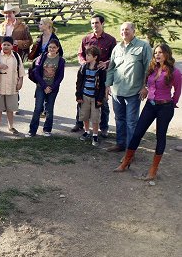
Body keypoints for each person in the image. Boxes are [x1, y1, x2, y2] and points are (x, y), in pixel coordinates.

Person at [114, 44, 181, 181]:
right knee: (137, 133)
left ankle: (153, 170)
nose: (157, 55)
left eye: (160, 52)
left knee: (160, 137)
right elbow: (148, 83)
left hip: (165, 107)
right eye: (155, 52)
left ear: (167, 54)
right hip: (150, 105)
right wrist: (146, 88)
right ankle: (126, 161)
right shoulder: (152, 68)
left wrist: (171, 103)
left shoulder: (175, 72)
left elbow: (178, 90)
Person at [105, 22, 152, 152]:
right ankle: (120, 143)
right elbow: (111, 68)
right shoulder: (117, 48)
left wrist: (145, 86)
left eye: (127, 29)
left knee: (132, 122)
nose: (124, 32)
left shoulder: (143, 46)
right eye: (122, 30)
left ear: (133, 31)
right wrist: (107, 85)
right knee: (119, 119)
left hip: (134, 91)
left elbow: (149, 68)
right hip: (117, 91)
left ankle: (130, 151)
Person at [72, 14, 117, 136]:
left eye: (97, 23)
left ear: (102, 24)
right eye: (92, 23)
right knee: (82, 98)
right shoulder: (86, 39)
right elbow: (80, 54)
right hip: (87, 74)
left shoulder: (110, 40)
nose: (94, 25)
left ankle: (104, 127)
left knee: (102, 100)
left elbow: (115, 57)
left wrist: (106, 63)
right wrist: (83, 63)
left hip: (101, 75)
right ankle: (79, 123)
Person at [27, 39, 65, 137]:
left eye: (54, 47)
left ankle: (47, 129)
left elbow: (60, 76)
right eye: (50, 47)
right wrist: (44, 86)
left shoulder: (61, 60)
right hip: (41, 86)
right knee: (38, 108)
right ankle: (32, 130)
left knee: (49, 108)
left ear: (58, 48)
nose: (51, 49)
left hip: (53, 88)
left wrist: (51, 87)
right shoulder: (42, 57)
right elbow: (36, 71)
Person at [0, 36, 25, 136]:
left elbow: (21, 70)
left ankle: (11, 126)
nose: (6, 47)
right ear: (1, 45)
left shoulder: (16, 57)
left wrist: (20, 81)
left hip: (12, 86)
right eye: (4, 44)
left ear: (12, 46)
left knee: (10, 109)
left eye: (8, 45)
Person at [28, 18, 63, 119]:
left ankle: (44, 109)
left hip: (50, 67)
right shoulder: (40, 37)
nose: (39, 25)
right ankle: (39, 108)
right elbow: (35, 50)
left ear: (47, 25)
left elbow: (60, 54)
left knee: (48, 87)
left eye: (41, 24)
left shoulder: (54, 38)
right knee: (39, 86)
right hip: (39, 66)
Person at [75, 46, 106, 146]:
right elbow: (79, 82)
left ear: (95, 57)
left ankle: (95, 135)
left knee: (95, 117)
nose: (86, 57)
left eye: (89, 55)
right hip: (84, 96)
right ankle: (87, 132)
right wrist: (78, 95)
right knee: (85, 115)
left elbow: (102, 85)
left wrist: (100, 98)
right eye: (86, 54)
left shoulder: (100, 69)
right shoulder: (83, 67)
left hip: (95, 97)